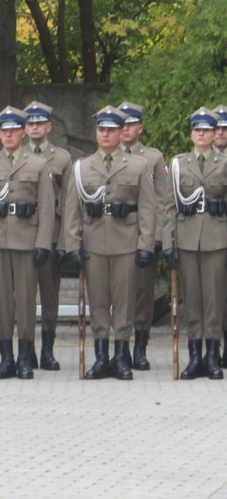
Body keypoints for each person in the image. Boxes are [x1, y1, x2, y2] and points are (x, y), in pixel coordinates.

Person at [62, 105, 156, 380]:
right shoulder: (81, 167)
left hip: (126, 242)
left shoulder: (138, 166)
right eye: (101, 129)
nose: (106, 134)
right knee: (99, 302)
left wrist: (146, 244)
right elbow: (72, 210)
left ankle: (121, 357)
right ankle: (101, 358)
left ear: (119, 132)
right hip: (94, 244)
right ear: (96, 133)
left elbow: (148, 209)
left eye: (111, 130)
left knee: (125, 303)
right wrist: (72, 245)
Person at [0, 107, 55, 380]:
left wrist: (43, 243)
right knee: (2, 302)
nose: (8, 135)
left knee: (26, 302)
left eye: (13, 130)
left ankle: (24, 357)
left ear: (22, 132)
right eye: (4, 130)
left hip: (26, 240)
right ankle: (6, 358)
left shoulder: (38, 165)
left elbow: (46, 207)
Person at [163, 107, 227, 380]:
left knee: (213, 300)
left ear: (214, 134)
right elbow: (167, 206)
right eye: (197, 129)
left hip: (217, 236)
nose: (202, 134)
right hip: (187, 238)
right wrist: (168, 242)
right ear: (191, 134)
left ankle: (213, 356)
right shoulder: (179, 163)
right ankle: (194, 356)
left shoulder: (224, 163)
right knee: (191, 300)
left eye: (207, 130)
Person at [118, 101, 169, 370]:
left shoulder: (153, 158)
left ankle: (140, 347)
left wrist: (157, 237)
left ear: (140, 127)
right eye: (121, 124)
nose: (125, 129)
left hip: (143, 234)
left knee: (142, 295)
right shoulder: (107, 156)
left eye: (130, 124)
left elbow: (162, 200)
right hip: (115, 235)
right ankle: (120, 348)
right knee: (119, 295)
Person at [23, 101, 72, 371]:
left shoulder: (62, 158)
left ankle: (48, 351)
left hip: (51, 236)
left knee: (50, 297)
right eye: (30, 123)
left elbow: (68, 205)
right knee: (26, 296)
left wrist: (65, 242)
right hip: (22, 236)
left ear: (48, 126)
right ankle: (27, 349)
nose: (34, 128)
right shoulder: (15, 155)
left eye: (39, 123)